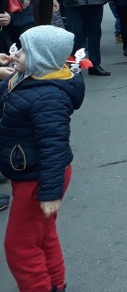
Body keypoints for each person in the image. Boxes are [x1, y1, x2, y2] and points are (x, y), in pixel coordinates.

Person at [0, 25, 85, 292]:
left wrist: (50, 193)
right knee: (43, 235)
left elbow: (53, 148)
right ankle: (55, 284)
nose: (15, 54)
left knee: (20, 246)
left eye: (23, 51)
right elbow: (9, 94)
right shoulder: (32, 78)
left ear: (40, 59)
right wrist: (11, 67)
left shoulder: (47, 96)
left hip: (38, 177)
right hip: (33, 171)